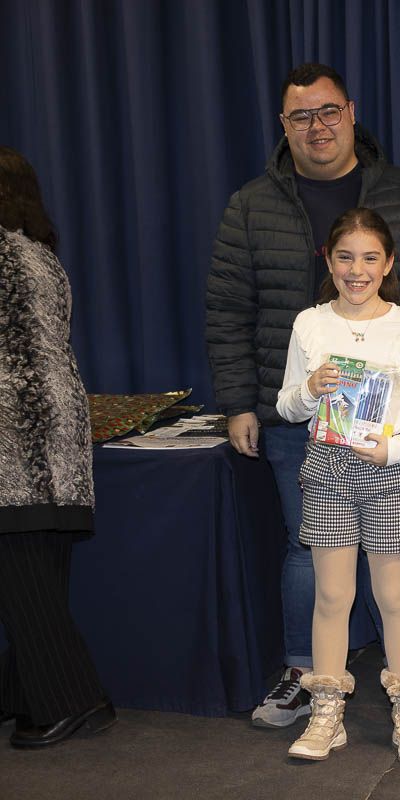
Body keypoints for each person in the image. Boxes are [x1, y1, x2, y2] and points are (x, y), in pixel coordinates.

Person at [206, 63, 400, 727]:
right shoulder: (250, 204)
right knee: (308, 551)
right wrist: (240, 401)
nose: (317, 127)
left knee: (392, 557)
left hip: (385, 427)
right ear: (284, 126)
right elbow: (228, 307)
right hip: (296, 416)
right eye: (301, 116)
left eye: (327, 112)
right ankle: (306, 676)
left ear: (350, 113)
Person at [275, 208, 400, 761]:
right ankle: (327, 713)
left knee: (394, 594)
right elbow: (287, 405)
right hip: (328, 469)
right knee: (332, 594)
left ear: (389, 263)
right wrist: (309, 389)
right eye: (345, 256)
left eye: (371, 258)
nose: (357, 269)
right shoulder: (309, 323)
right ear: (329, 259)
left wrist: (394, 448)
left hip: (389, 472)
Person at [0, 146, 116, 748]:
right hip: (58, 429)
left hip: (10, 434)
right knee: (40, 567)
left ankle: (73, 699)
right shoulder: (42, 256)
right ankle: (25, 693)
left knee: (18, 572)